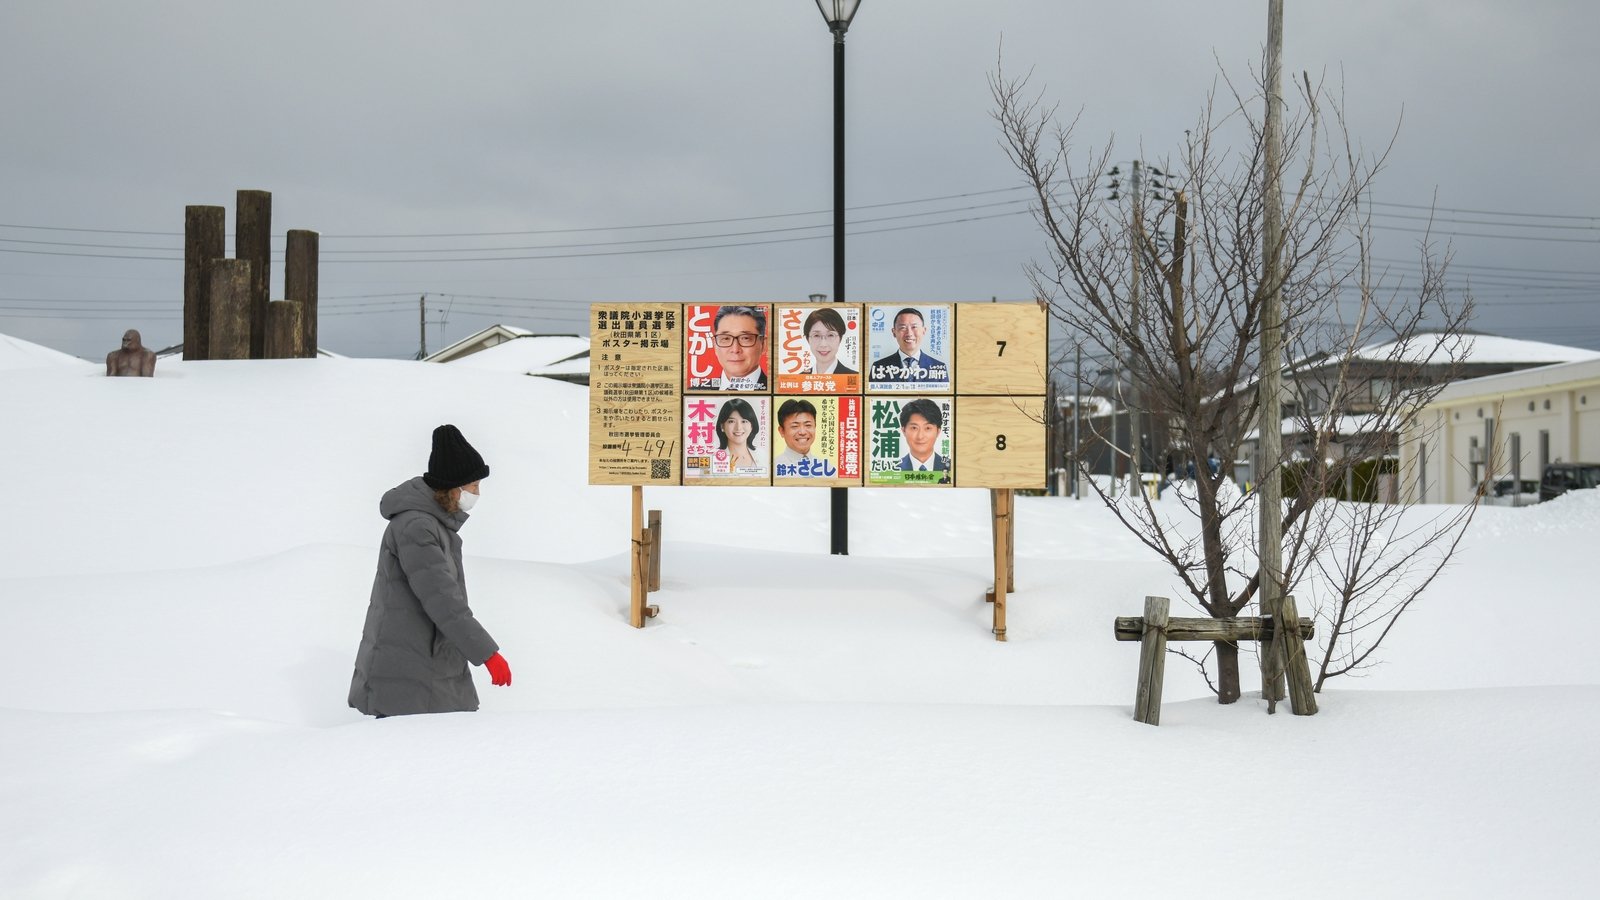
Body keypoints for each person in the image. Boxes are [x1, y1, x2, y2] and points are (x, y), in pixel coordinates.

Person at [349, 424, 511, 717]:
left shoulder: (434, 524)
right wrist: (487, 654)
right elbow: (443, 599)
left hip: (424, 659)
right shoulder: (417, 527)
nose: (477, 493)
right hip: (409, 667)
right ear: (452, 487)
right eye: (472, 486)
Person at [869, 308, 946, 382]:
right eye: (903, 328)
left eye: (914, 327)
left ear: (924, 331)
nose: (909, 333)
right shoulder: (878, 367)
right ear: (894, 332)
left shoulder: (939, 368)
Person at [713, 305, 768, 390]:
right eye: (726, 338)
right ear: (715, 345)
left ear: (763, 344)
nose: (735, 350)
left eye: (745, 338)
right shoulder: (695, 392)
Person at [897, 398, 951, 479]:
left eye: (928, 428)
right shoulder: (893, 469)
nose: (920, 436)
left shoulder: (951, 468)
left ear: (938, 431)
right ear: (904, 431)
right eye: (914, 428)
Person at [802, 307, 855, 375]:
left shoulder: (853, 377)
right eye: (816, 335)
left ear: (840, 339)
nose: (823, 344)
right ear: (808, 339)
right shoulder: (799, 379)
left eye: (830, 335)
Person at [774, 399, 820, 472]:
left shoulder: (827, 469)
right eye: (795, 426)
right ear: (782, 431)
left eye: (808, 425)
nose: (802, 432)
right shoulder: (773, 468)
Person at [716, 398, 761, 472]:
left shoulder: (763, 455)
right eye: (731, 421)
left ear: (752, 426)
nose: (738, 428)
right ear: (722, 426)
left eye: (744, 421)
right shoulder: (712, 459)